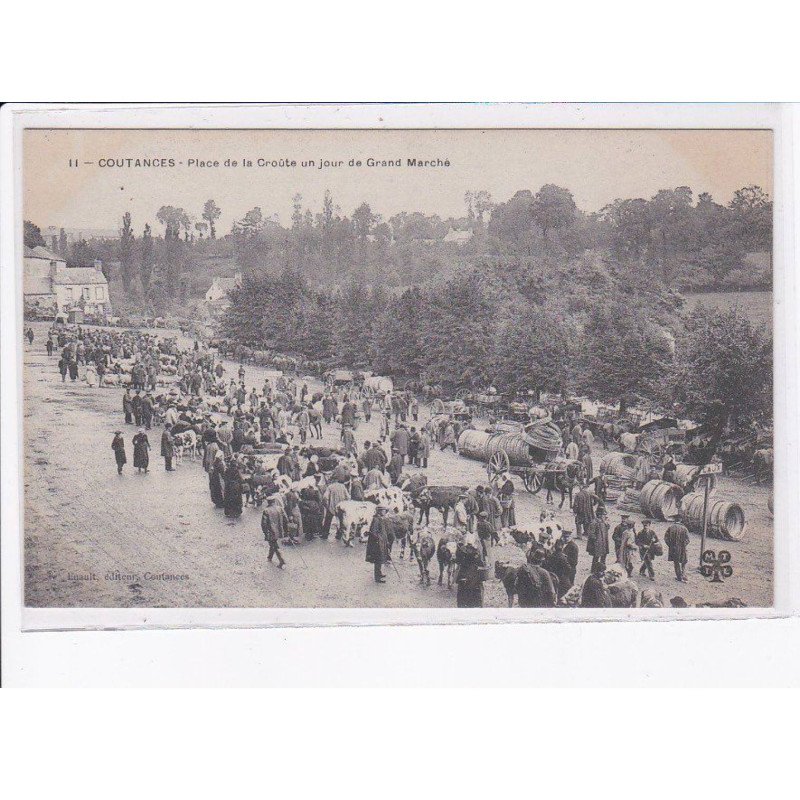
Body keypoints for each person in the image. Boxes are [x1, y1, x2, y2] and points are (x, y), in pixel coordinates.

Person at [455, 539, 487, 607]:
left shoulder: (475, 558)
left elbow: (481, 570)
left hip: (472, 583)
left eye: (470, 549)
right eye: (468, 548)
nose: (469, 550)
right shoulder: (465, 557)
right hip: (467, 582)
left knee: (472, 600)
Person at [261, 496, 288, 569]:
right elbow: (286, 519)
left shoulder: (266, 510)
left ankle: (282, 561)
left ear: (268, 502)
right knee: (273, 543)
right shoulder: (280, 508)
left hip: (271, 531)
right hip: (279, 530)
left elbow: (264, 524)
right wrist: (286, 530)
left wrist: (265, 532)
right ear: (274, 501)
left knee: (275, 545)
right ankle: (269, 557)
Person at [366, 506, 390, 583]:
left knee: (380, 559)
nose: (384, 512)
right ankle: (377, 577)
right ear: (379, 511)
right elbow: (374, 532)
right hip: (377, 543)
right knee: (378, 560)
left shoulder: (380, 518)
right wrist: (380, 539)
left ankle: (379, 573)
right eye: (383, 510)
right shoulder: (376, 519)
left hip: (381, 542)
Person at [586, 506, 610, 573]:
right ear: (599, 515)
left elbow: (607, 528)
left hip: (603, 543)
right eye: (603, 515)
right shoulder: (594, 522)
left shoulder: (603, 522)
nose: (604, 516)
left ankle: (602, 569)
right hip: (597, 544)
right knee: (596, 557)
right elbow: (591, 534)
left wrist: (606, 523)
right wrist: (596, 541)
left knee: (603, 556)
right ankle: (593, 570)